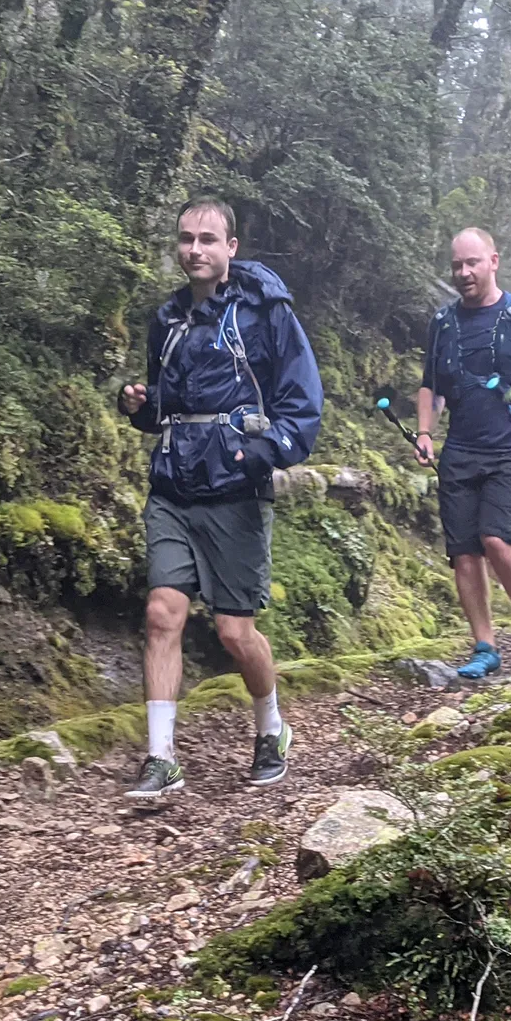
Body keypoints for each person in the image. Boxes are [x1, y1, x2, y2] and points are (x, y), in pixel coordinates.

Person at [118, 198, 321, 800]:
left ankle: (271, 728)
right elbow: (166, 405)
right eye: (186, 239)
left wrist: (262, 453)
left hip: (235, 487)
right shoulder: (169, 319)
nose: (195, 250)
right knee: (162, 613)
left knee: (235, 631)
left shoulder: (267, 313)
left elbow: (301, 400)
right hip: (174, 482)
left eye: (208, 239)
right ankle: (160, 756)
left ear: (231, 247)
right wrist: (139, 405)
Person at [414, 227, 511, 680]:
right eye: (457, 266)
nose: (464, 273)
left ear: (493, 261)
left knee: (498, 539)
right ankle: (485, 646)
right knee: (464, 553)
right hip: (460, 452)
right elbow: (432, 386)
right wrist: (426, 432)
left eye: (472, 263)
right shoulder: (443, 323)